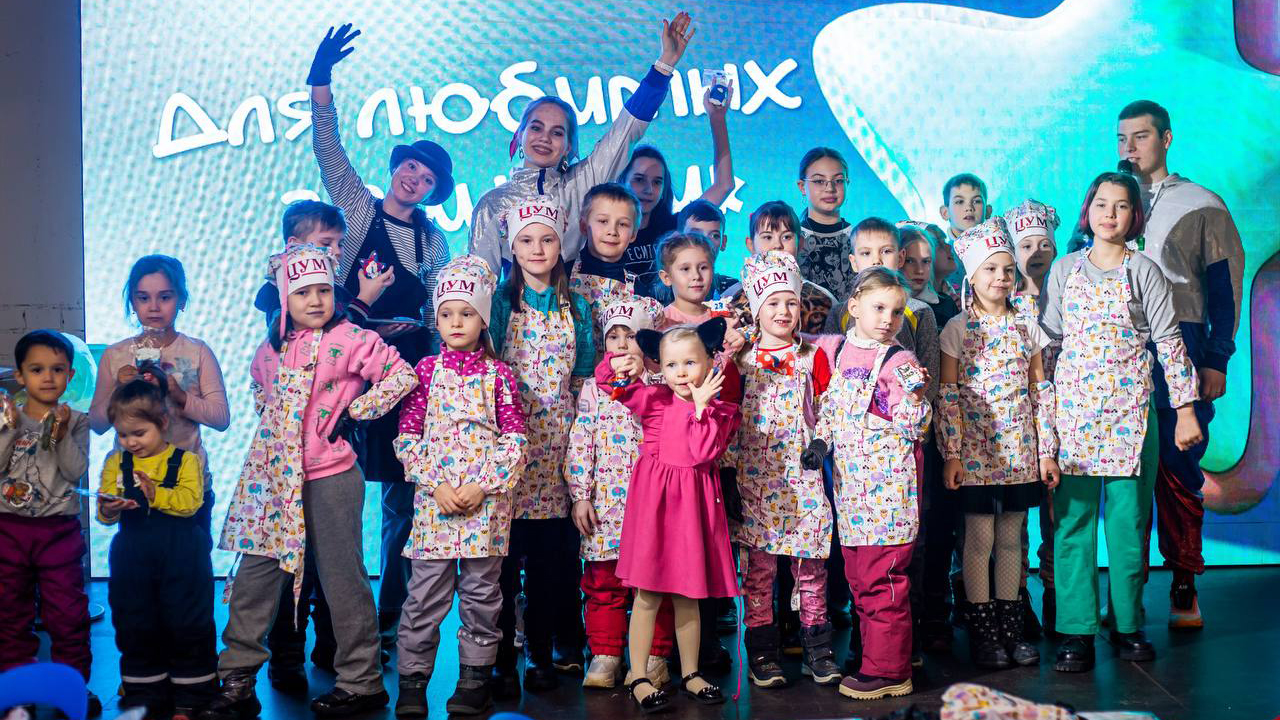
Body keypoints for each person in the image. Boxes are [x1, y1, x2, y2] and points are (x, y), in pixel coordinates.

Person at [203, 245, 417, 718]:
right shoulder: (271, 347)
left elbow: (400, 376)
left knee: (342, 577)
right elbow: (258, 385)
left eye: (323, 290)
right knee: (256, 573)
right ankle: (237, 680)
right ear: (285, 298)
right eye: (302, 293)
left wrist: (353, 413)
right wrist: (270, 420)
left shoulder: (352, 338)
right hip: (272, 477)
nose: (315, 300)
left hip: (331, 476)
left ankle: (362, 681)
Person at [306, 24, 456, 648]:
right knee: (330, 499)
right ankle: (327, 628)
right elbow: (330, 151)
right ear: (396, 167)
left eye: (428, 178)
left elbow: (443, 312)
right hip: (343, 370)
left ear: (435, 192)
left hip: (405, 377)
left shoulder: (433, 240)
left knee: (402, 504)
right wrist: (320, 81)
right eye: (411, 166)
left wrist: (441, 375)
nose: (415, 178)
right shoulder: (357, 209)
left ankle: (390, 621)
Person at [1040, 171, 1202, 673]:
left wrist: (1185, 410)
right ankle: (1076, 630)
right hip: (1073, 419)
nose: (1109, 214)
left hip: (1132, 416)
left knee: (1129, 524)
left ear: (1135, 216)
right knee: (1072, 524)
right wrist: (1041, 417)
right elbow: (1049, 345)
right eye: (1101, 204)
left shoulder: (1144, 271)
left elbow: (1169, 343)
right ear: (1087, 211)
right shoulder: (1064, 270)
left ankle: (1128, 624)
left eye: (1121, 206)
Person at [1117, 99, 1245, 628]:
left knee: (1178, 460)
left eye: (1141, 136)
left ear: (1166, 139)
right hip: (1115, 350)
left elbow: (1225, 289)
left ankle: (1184, 582)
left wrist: (1216, 358)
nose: (1130, 148)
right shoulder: (1108, 202)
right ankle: (1124, 594)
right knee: (1123, 468)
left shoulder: (1201, 203)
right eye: (1122, 139)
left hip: (1182, 344)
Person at [392, 256, 529, 718]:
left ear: (483, 319)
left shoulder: (500, 376)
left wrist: (483, 486)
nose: (456, 322)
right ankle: (412, 682)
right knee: (423, 598)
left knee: (482, 597)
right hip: (436, 506)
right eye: (447, 313)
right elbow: (407, 438)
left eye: (466, 313)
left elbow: (515, 440)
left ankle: (474, 682)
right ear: (436, 319)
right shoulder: (425, 372)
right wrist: (435, 485)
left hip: (484, 509)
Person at [473, 12, 696, 278]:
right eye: (536, 127)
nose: (544, 138)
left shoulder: (582, 183)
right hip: (516, 305)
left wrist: (665, 64)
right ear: (520, 135)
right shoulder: (492, 204)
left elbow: (627, 130)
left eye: (557, 132)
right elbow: (477, 283)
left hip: (582, 301)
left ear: (569, 146)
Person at [598, 318, 741, 712]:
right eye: (672, 364)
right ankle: (638, 675)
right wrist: (620, 362)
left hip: (692, 507)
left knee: (688, 593)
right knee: (647, 594)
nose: (681, 372)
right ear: (659, 367)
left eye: (690, 363)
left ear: (708, 363)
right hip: (656, 507)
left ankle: (691, 673)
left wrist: (701, 408)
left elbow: (702, 452)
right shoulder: (654, 399)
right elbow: (608, 381)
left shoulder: (718, 410)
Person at [936, 220, 1060, 671]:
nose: (1001, 278)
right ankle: (984, 632)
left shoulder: (1027, 326)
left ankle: (1011, 628)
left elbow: (1040, 392)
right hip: (974, 454)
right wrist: (952, 454)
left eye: (1008, 269)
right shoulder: (957, 328)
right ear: (972, 275)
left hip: (1020, 453)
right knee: (979, 539)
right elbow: (948, 395)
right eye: (990, 269)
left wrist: (1046, 451)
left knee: (1011, 538)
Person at [803, 267, 932, 701]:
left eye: (896, 312)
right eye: (879, 308)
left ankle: (889, 671)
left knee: (884, 584)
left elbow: (916, 425)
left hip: (889, 496)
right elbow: (796, 348)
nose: (887, 320)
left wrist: (915, 400)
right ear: (854, 306)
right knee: (860, 582)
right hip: (852, 496)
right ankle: (874, 660)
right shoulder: (835, 350)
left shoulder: (901, 361)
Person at [487, 200, 595, 695]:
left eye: (547, 239)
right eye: (526, 240)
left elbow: (584, 379)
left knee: (552, 565)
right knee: (504, 566)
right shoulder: (498, 304)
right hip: (507, 452)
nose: (537, 249)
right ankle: (500, 658)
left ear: (561, 244)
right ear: (512, 247)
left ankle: (540, 651)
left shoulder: (579, 308)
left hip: (557, 451)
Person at [727, 252, 841, 689]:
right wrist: (728, 472)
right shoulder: (742, 360)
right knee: (759, 573)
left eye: (790, 302)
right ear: (757, 310)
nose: (783, 311)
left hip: (803, 478)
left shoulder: (813, 356)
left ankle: (818, 649)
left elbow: (829, 407)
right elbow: (729, 418)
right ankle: (762, 652)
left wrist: (820, 443)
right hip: (755, 480)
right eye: (772, 303)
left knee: (810, 569)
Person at [566, 296, 676, 690]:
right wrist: (580, 495)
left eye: (631, 336)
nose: (622, 345)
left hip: (655, 503)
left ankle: (653, 657)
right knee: (603, 581)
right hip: (607, 505)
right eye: (614, 337)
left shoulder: (665, 384)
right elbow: (581, 442)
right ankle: (606, 653)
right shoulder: (593, 390)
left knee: (655, 583)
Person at [96, 372, 217, 717]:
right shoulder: (115, 462)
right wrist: (108, 508)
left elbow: (190, 503)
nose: (130, 442)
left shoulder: (187, 460)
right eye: (122, 435)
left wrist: (155, 493)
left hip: (182, 554)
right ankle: (145, 694)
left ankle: (191, 697)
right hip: (132, 555)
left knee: (187, 620)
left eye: (139, 433)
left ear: (162, 423)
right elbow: (105, 512)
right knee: (135, 620)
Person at [89, 255, 229, 534]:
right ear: (132, 302)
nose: (153, 307)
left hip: (186, 485)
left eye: (165, 297)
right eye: (143, 298)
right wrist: (118, 388)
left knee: (189, 558)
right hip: (134, 485)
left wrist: (179, 395)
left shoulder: (197, 351)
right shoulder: (115, 355)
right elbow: (97, 424)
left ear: (181, 300)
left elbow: (221, 418)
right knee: (137, 557)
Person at [0, 331, 99, 718]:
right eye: (37, 369)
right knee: (9, 612)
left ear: (70, 375)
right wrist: (9, 427)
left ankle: (71, 687)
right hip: (9, 530)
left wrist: (59, 434)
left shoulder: (77, 420)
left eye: (57, 369)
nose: (48, 377)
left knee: (68, 614)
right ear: (20, 376)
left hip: (58, 531)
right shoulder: (8, 416)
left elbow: (76, 470)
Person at [619, 80, 736, 295]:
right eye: (639, 179)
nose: (648, 189)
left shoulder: (674, 227)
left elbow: (724, 184)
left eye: (657, 182)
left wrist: (717, 118)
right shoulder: (607, 231)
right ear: (622, 180)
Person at [568, 182, 646, 354]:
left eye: (623, 224)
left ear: (633, 234)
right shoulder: (562, 274)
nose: (612, 231)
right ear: (583, 226)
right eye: (603, 221)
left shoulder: (638, 289)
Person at [795, 148, 857, 304]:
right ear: (802, 186)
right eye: (819, 181)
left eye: (838, 180)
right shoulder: (791, 239)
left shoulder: (860, 239)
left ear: (847, 183)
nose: (830, 188)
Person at [898, 222, 960, 330]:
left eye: (925, 261)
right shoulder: (889, 305)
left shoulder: (948, 304)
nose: (919, 270)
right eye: (910, 261)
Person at [675, 199, 739, 299]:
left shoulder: (733, 289)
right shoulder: (662, 291)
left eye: (714, 235)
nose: (705, 242)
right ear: (677, 239)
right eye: (695, 234)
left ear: (723, 242)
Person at [938, 173, 992, 290]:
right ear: (945, 212)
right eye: (959, 202)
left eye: (976, 201)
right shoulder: (939, 257)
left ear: (988, 211)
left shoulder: (1000, 250)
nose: (969, 208)